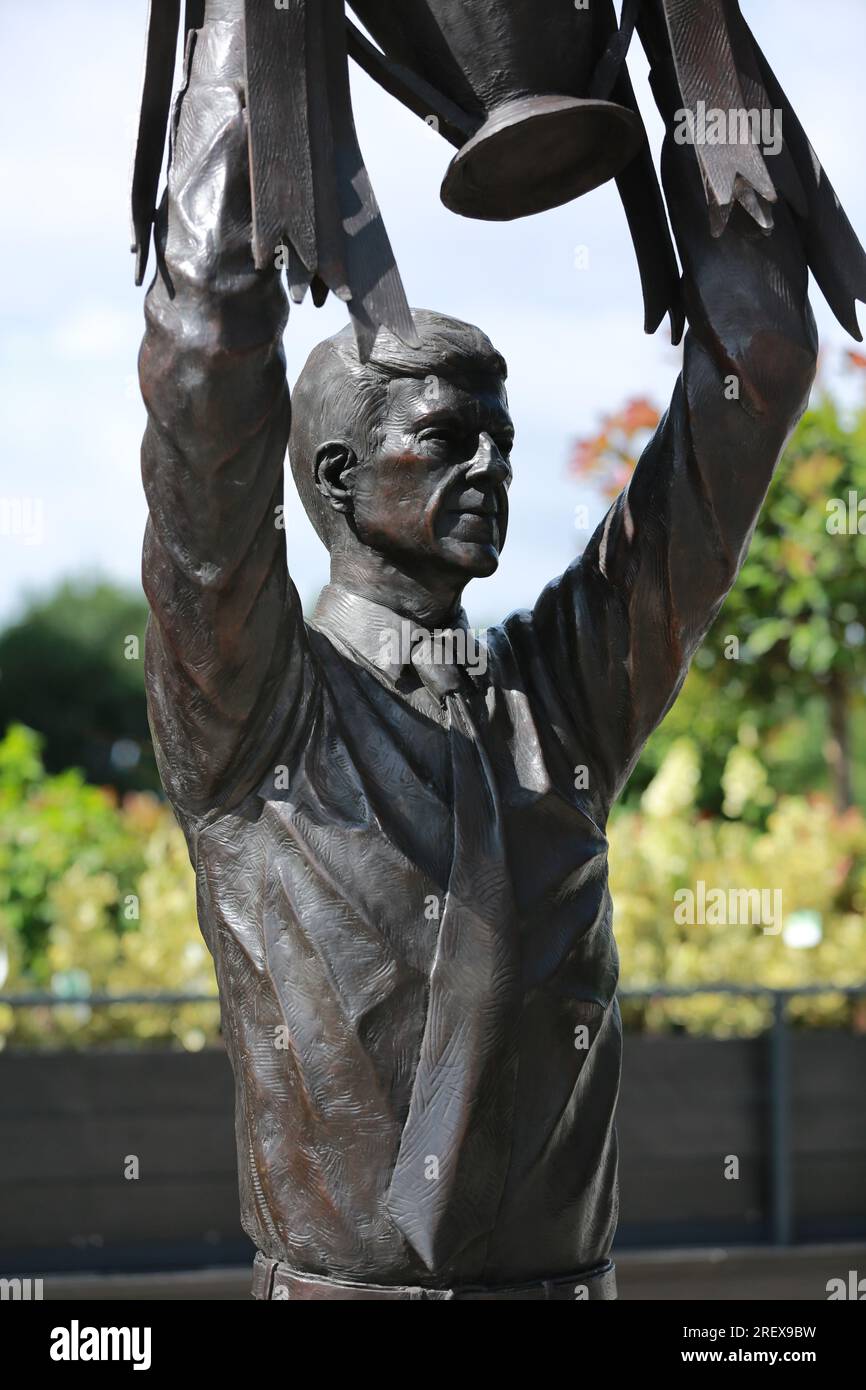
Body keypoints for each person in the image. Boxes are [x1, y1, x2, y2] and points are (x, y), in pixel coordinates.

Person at [139, 7, 817, 1300]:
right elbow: (200, 363)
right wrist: (247, 34)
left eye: (501, 439)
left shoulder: (559, 699)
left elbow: (758, 365)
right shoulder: (251, 713)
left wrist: (695, 58)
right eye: (447, 438)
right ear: (335, 476)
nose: (491, 467)